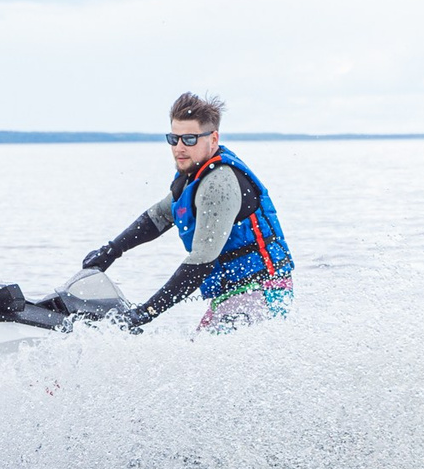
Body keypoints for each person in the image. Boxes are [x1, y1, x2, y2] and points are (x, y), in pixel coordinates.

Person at [82, 92, 294, 332]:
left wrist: (146, 312)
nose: (179, 148)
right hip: (234, 295)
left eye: (190, 139)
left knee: (207, 353)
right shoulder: (192, 178)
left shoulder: (218, 184)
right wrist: (110, 251)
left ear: (213, 139)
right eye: (174, 139)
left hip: (261, 293)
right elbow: (158, 217)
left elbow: (201, 262)